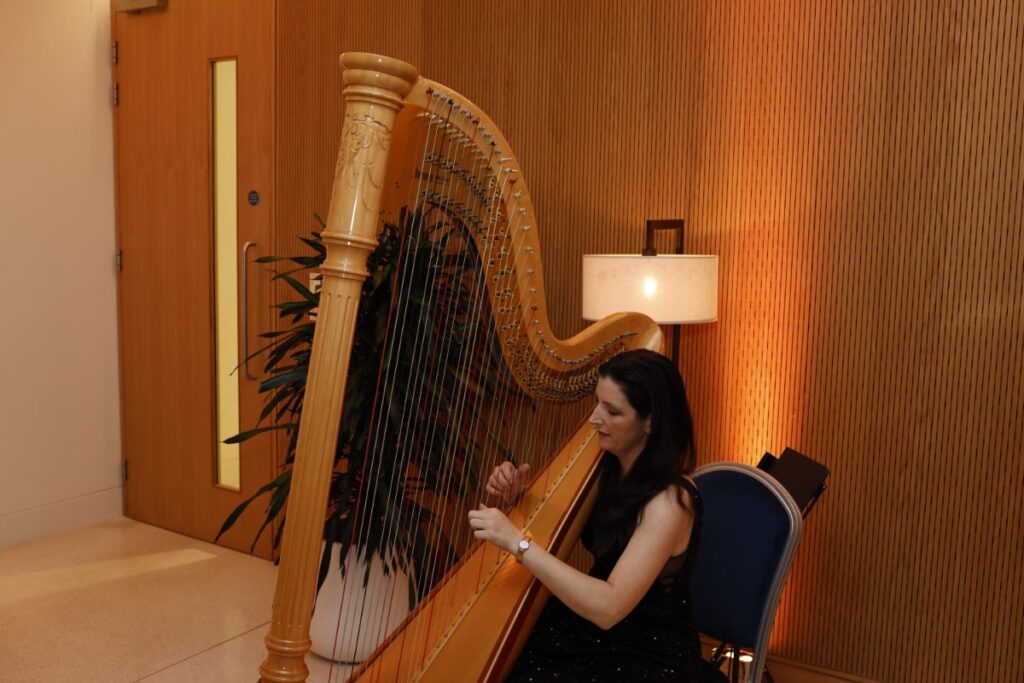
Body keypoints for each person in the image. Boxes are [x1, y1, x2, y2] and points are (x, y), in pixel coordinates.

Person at [467, 348, 704, 682]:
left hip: (645, 653)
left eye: (612, 411)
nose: (594, 417)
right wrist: (519, 494)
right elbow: (564, 519)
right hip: (593, 632)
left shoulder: (669, 504)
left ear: (650, 422)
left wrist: (516, 543)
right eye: (597, 403)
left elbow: (609, 608)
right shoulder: (608, 467)